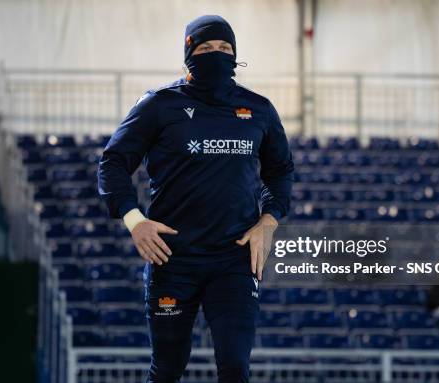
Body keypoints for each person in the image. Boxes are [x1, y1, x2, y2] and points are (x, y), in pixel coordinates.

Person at [98, 14, 294, 383]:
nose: (216, 54)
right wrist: (134, 221)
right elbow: (112, 163)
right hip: (172, 258)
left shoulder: (260, 110)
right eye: (205, 48)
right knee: (168, 368)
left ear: (236, 56)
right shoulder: (160, 105)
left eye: (225, 48)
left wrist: (268, 222)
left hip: (234, 259)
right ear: (189, 55)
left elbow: (281, 171)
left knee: (235, 366)